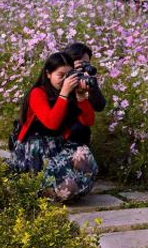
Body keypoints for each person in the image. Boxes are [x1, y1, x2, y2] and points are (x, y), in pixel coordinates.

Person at [9, 52, 98, 202]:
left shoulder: (69, 93)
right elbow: (51, 122)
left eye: (68, 75)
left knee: (85, 156)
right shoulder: (37, 93)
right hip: (35, 152)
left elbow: (88, 121)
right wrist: (64, 93)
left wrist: (81, 97)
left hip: (58, 146)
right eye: (60, 75)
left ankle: (57, 190)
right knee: (68, 185)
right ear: (48, 74)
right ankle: (45, 189)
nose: (64, 80)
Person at [63, 42, 106, 146]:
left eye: (86, 65)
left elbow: (99, 106)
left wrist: (91, 88)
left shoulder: (86, 80)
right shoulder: (57, 83)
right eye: (79, 67)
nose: (83, 70)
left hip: (80, 138)